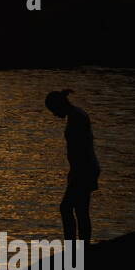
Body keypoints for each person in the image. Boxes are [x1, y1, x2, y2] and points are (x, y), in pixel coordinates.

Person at [45, 89, 99, 243]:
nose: (55, 115)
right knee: (81, 210)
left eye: (54, 110)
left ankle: (73, 247)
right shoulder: (76, 114)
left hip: (83, 170)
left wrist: (76, 173)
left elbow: (80, 149)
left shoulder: (76, 117)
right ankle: (83, 246)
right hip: (85, 168)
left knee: (66, 208)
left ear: (60, 105)